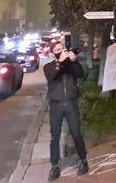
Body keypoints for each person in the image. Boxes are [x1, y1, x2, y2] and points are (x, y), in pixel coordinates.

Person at [43, 40, 88, 181]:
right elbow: (52, 77)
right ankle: (55, 166)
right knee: (54, 136)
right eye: (57, 49)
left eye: (62, 48)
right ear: (53, 52)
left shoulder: (70, 65)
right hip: (56, 105)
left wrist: (74, 61)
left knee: (76, 133)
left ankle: (83, 160)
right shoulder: (48, 66)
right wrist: (59, 63)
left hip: (70, 103)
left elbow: (81, 75)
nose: (60, 51)